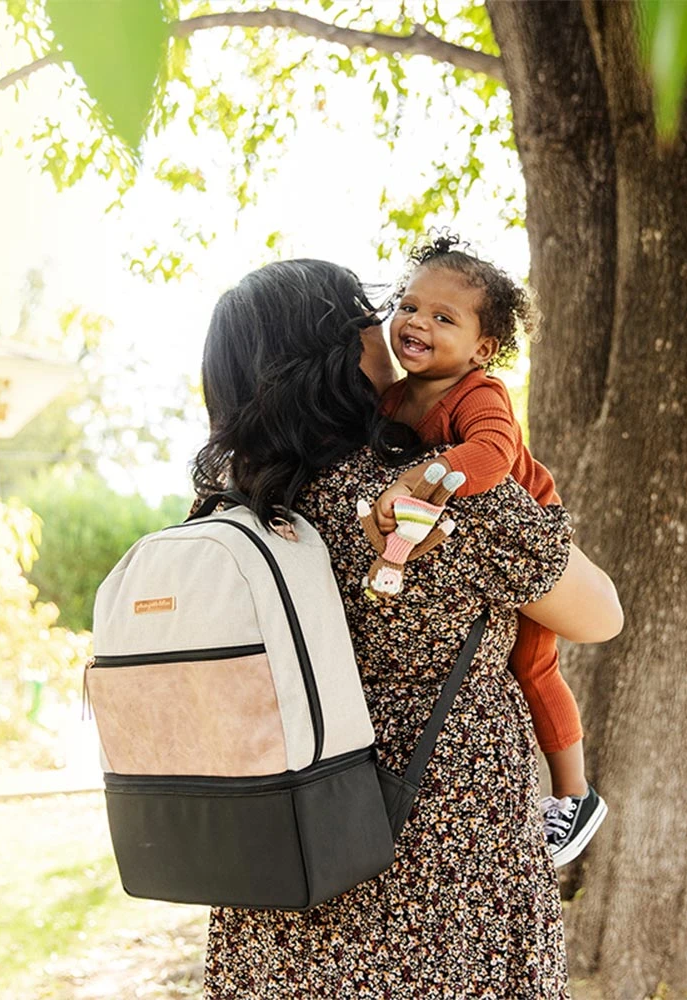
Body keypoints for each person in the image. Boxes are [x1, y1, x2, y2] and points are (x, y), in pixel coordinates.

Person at [192, 258, 624, 998]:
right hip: (438, 843)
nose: (392, 323)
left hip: (282, 842)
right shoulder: (427, 488)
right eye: (375, 308)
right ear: (337, 345)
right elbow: (600, 614)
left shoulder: (231, 504)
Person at [370, 235, 604, 867]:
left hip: (535, 528)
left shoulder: (480, 394)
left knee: (532, 666)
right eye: (409, 305)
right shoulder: (392, 398)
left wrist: (420, 479)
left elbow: (491, 459)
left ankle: (574, 793)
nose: (417, 322)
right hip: (441, 539)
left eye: (444, 318)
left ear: (483, 348)